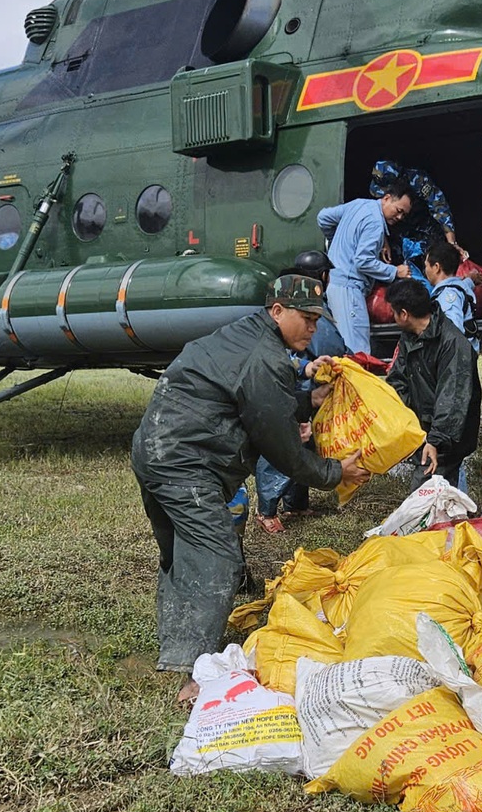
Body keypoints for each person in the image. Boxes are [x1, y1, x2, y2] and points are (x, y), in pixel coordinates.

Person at [130, 275, 370, 700]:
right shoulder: (264, 356)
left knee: (181, 555)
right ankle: (194, 675)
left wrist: (306, 403)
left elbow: (258, 400)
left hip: (155, 449)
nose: (313, 328)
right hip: (185, 464)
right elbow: (282, 448)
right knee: (218, 558)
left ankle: (178, 653)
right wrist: (335, 473)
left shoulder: (249, 338)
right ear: (277, 311)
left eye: (317, 320)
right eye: (306, 318)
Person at [254, 251, 351, 534]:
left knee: (306, 445)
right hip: (292, 391)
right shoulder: (299, 308)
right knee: (282, 447)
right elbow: (317, 347)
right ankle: (267, 509)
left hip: (308, 388)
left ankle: (295, 502)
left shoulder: (307, 306)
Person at [385, 278, 481, 485]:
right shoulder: (409, 337)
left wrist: (435, 440)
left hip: (448, 434)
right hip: (425, 427)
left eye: (393, 312)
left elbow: (453, 398)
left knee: (423, 490)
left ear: (404, 314)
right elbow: (397, 378)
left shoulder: (453, 344)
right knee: (442, 491)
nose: (392, 317)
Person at [317, 182, 412, 353]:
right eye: (398, 211)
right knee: (358, 352)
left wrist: (339, 244)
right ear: (387, 198)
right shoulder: (375, 224)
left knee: (344, 348)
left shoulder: (359, 204)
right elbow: (363, 261)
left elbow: (323, 217)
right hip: (349, 290)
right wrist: (395, 271)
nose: (399, 218)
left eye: (403, 216)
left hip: (335, 285)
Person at [371, 160, 461, 279]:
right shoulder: (379, 187)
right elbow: (377, 212)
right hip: (397, 233)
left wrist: (451, 242)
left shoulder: (418, 180)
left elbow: (439, 207)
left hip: (425, 230)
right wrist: (382, 239)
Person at [421, 239, 479, 348]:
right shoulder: (458, 287)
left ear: (436, 267)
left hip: (456, 359)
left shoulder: (447, 295)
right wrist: (471, 279)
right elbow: (466, 284)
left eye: (427, 266)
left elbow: (453, 332)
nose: (426, 271)